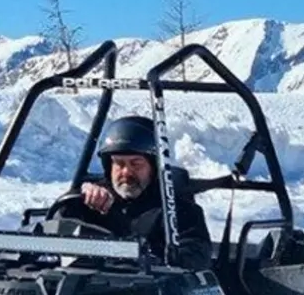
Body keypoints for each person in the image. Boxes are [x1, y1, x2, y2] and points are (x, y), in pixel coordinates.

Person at [65, 115, 213, 270]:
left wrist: (151, 260)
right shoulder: (94, 201)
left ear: (153, 167)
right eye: (119, 163)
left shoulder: (178, 211)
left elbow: (196, 258)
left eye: (136, 163)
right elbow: (58, 235)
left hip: (151, 290)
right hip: (85, 288)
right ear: (109, 167)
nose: (126, 172)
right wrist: (79, 200)